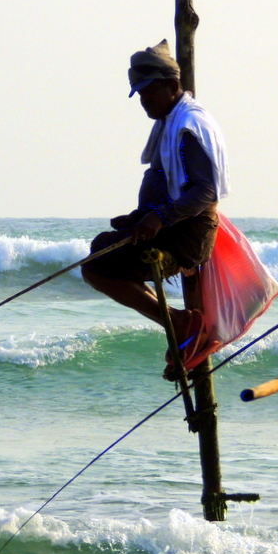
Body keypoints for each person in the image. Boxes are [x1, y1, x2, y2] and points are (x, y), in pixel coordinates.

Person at [81, 40, 230, 374]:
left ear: (173, 86)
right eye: (140, 94)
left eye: (149, 92)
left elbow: (205, 191)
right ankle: (178, 324)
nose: (144, 101)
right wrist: (139, 217)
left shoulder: (190, 125)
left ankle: (179, 322)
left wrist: (159, 217)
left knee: (95, 267)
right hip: (171, 227)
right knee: (101, 247)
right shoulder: (169, 121)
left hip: (185, 235)